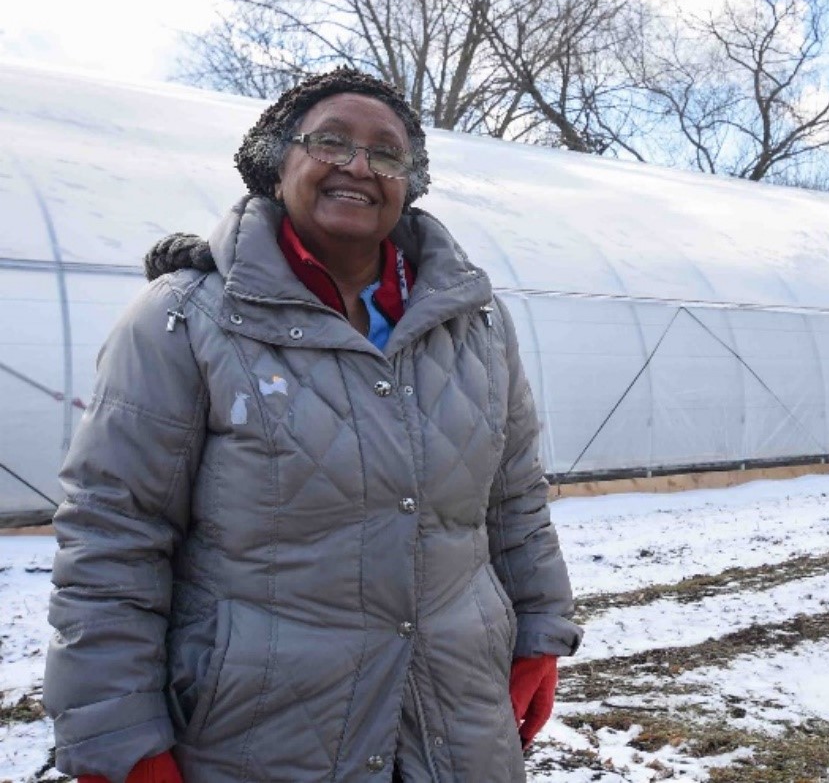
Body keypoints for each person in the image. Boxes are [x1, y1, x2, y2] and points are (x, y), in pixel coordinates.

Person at [44, 68, 582, 783]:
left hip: (456, 721)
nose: (359, 166)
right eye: (330, 141)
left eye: (386, 153)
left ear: (409, 182)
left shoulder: (474, 323)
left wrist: (541, 630)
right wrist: (119, 734)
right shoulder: (186, 317)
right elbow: (115, 530)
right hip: (258, 733)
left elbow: (513, 498)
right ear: (275, 162)